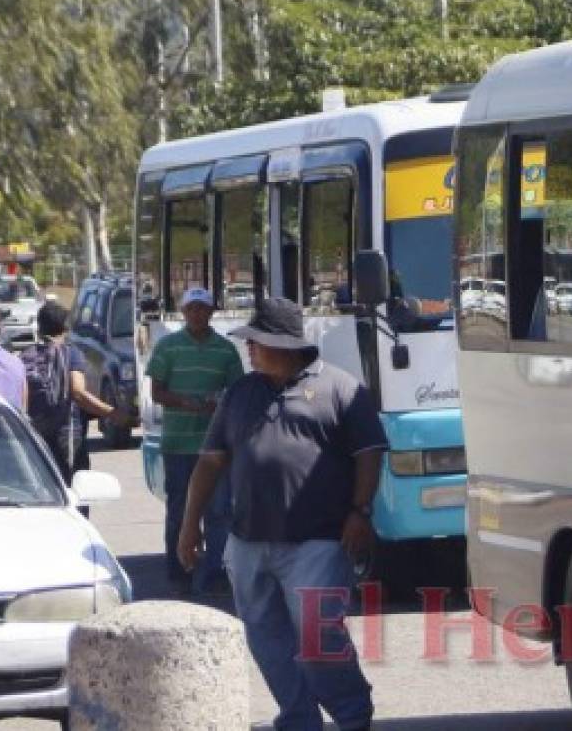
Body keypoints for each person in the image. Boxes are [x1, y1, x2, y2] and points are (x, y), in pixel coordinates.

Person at [179, 298, 387, 731]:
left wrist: (360, 511)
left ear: (286, 345)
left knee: (317, 634)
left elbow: (369, 454)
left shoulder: (341, 389)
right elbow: (211, 461)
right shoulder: (240, 393)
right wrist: (188, 525)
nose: (248, 350)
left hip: (319, 540)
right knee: (266, 638)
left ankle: (352, 714)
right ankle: (298, 719)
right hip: (248, 541)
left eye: (256, 342)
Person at [146, 287, 243, 594]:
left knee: (218, 511)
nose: (198, 314)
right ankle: (178, 567)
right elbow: (156, 392)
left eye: (203, 309)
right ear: (183, 312)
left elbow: (238, 392)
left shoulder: (226, 350)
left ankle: (215, 571)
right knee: (179, 509)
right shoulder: (167, 346)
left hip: (215, 447)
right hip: (178, 444)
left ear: (212, 312)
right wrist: (185, 403)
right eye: (192, 309)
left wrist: (220, 403)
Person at [24, 300, 131, 481]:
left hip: (35, 431)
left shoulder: (27, 355)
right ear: (65, 327)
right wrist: (113, 414)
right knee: (75, 487)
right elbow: (78, 393)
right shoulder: (71, 353)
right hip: (66, 432)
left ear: (40, 328)